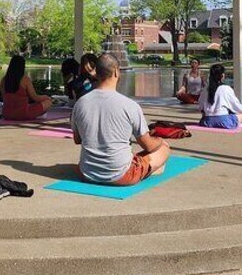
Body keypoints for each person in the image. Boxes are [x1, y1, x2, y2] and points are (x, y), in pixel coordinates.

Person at [71, 54, 170, 186]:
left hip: (87, 173)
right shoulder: (130, 105)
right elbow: (148, 145)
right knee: (164, 148)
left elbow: (78, 140)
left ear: (96, 73)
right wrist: (160, 140)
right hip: (122, 175)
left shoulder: (80, 103)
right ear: (116, 72)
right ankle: (148, 169)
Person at [0, 55, 53, 121]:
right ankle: (33, 115)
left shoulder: (3, 80)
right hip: (23, 113)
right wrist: (46, 97)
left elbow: (4, 98)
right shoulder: (25, 79)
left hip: (6, 113)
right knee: (48, 102)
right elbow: (35, 98)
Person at [197, 64, 242, 129]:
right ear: (222, 75)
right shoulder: (226, 88)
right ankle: (236, 123)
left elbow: (200, 107)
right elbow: (237, 107)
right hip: (223, 121)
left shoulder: (205, 89)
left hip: (206, 121)